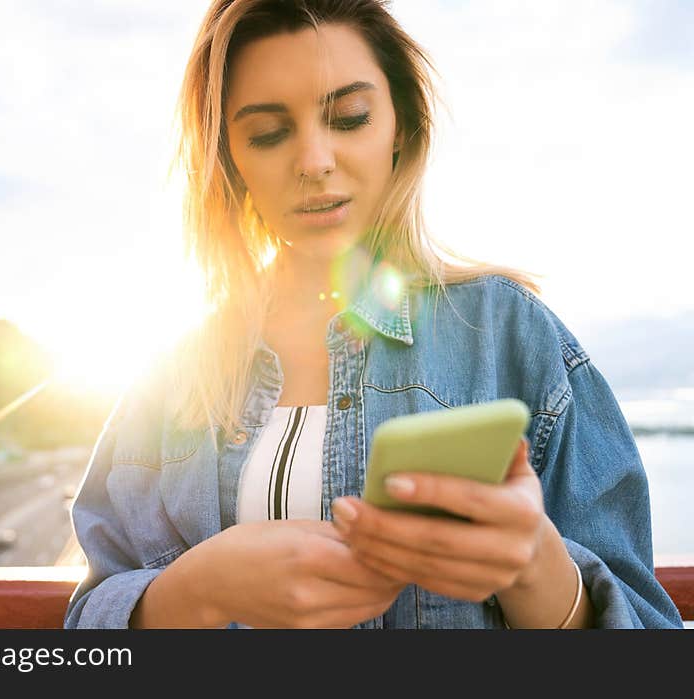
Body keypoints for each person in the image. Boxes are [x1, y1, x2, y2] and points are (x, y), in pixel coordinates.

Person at [64, 0, 683, 629]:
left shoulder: (508, 333)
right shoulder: (169, 375)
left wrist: (537, 571)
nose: (313, 160)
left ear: (400, 127)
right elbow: (87, 623)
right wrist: (195, 592)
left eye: (349, 117)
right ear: (230, 160)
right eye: (268, 133)